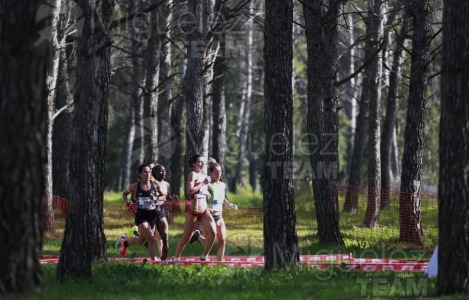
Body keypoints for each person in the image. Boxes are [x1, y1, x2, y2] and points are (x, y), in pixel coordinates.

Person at [188, 158, 237, 261]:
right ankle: (203, 254)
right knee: (210, 240)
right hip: (209, 216)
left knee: (223, 240)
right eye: (216, 171)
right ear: (211, 172)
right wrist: (205, 206)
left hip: (219, 216)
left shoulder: (223, 185)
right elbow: (201, 195)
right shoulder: (208, 184)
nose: (219, 173)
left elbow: (222, 198)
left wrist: (230, 204)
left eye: (220, 171)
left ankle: (219, 264)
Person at [173, 154, 216, 261]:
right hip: (193, 211)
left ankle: (204, 256)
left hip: (204, 211)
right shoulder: (193, 174)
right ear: (194, 164)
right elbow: (190, 190)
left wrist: (207, 191)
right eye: (199, 162)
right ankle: (176, 257)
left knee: (213, 233)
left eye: (203, 162)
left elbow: (205, 189)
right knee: (186, 237)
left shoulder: (204, 176)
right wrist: (203, 183)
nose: (202, 164)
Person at [121, 163, 166, 261]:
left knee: (142, 240)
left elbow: (163, 196)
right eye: (145, 172)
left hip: (152, 215)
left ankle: (125, 242)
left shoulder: (155, 184)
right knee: (151, 238)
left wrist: (156, 198)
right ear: (140, 174)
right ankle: (154, 261)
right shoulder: (135, 186)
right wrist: (127, 201)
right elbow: (124, 194)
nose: (148, 174)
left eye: (149, 172)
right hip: (141, 215)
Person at [151, 164, 179, 261]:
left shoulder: (167, 184)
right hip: (150, 213)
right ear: (154, 172)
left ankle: (163, 260)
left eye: (164, 171)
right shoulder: (151, 183)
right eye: (160, 171)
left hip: (161, 213)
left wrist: (173, 200)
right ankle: (127, 241)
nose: (163, 173)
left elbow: (167, 198)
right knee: (147, 238)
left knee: (164, 237)